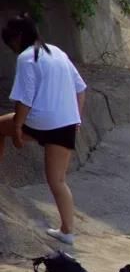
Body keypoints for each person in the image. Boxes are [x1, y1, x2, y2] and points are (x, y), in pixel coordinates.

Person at [0, 14, 86, 245]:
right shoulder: (57, 52)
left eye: (10, 42)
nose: (11, 48)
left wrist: (17, 128)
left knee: (0, 127)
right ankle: (68, 232)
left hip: (38, 121)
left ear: (18, 37)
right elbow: (80, 88)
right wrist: (76, 119)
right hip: (65, 124)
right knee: (58, 180)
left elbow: (25, 98)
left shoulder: (27, 57)